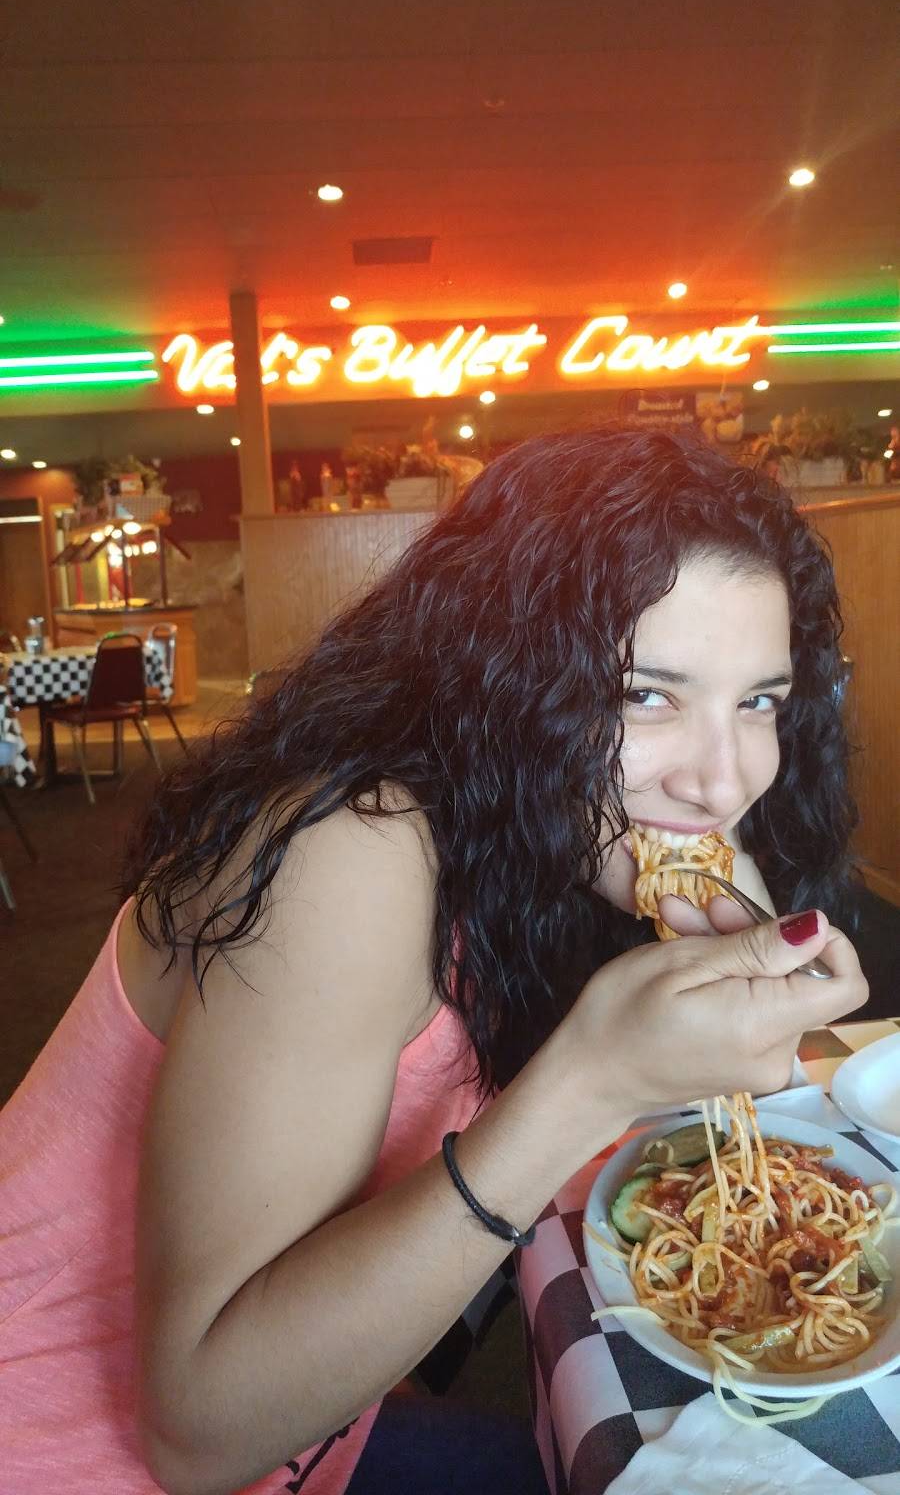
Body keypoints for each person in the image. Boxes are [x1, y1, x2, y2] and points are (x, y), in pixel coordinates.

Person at [0, 428, 867, 1495]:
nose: (723, 782)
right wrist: (589, 1082)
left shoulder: (529, 847)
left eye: (758, 701)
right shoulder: (347, 853)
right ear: (503, 677)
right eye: (644, 694)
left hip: (318, 1436)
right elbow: (197, 1437)